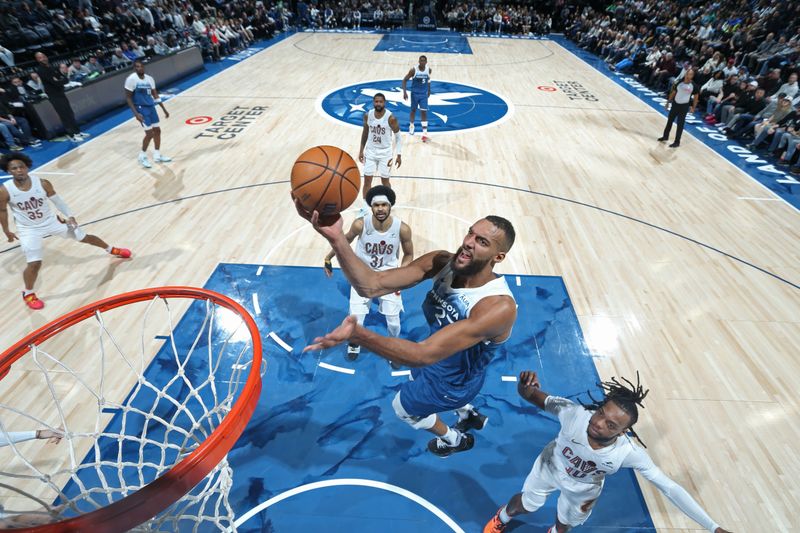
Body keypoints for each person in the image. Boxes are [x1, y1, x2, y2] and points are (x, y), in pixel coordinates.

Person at [295, 201, 517, 457]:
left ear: (498, 257)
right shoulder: (442, 262)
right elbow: (371, 286)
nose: (468, 242)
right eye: (470, 233)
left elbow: (422, 354)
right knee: (415, 375)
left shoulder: (497, 307)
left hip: (453, 383)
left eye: (482, 242)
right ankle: (469, 414)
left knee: (402, 408)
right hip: (436, 360)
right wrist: (337, 239)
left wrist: (359, 335)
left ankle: (454, 439)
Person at [483, 371, 732, 533]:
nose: (599, 422)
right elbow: (534, 396)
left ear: (623, 432)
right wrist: (525, 389)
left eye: (611, 425)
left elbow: (670, 488)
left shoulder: (628, 453)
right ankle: (502, 517)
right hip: (550, 467)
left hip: (582, 489)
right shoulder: (575, 414)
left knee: (564, 523)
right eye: (601, 412)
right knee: (526, 503)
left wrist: (714, 528)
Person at [0, 154, 132, 310]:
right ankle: (28, 293)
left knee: (84, 237)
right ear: (8, 171)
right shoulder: (5, 190)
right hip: (28, 229)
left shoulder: (42, 183)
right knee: (34, 263)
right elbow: (2, 211)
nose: (19, 170)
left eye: (21, 166)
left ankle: (111, 249)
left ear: (27, 167)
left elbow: (58, 201)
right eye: (14, 168)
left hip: (51, 221)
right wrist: (7, 231)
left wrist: (70, 216)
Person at [323, 185, 414, 364]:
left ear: (390, 206)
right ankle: (355, 343)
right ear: (371, 207)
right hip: (361, 277)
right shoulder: (360, 224)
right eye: (376, 205)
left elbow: (409, 254)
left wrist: (401, 275)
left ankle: (393, 347)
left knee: (394, 322)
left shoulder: (402, 228)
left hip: (388, 278)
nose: (380, 209)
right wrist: (329, 256)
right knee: (356, 321)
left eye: (384, 205)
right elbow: (344, 240)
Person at [357, 93, 402, 215]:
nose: (378, 104)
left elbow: (398, 137)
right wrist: (361, 150)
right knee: (367, 181)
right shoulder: (368, 116)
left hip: (385, 153)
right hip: (370, 152)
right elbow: (365, 132)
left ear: (384, 103)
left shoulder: (390, 118)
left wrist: (399, 154)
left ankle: (389, 204)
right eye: (376, 101)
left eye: (380, 102)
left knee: (385, 181)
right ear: (373, 102)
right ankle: (366, 207)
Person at [124, 60, 171, 168]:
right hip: (141, 108)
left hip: (151, 107)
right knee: (149, 134)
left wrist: (164, 109)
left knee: (157, 131)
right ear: (134, 68)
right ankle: (142, 156)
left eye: (141, 66)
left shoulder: (150, 79)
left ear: (144, 67)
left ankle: (157, 155)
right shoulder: (131, 79)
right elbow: (128, 97)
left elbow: (155, 95)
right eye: (137, 67)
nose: (139, 68)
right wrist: (135, 113)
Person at [33, 52, 88, 143]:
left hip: (60, 93)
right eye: (40, 57)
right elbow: (55, 82)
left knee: (69, 113)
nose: (43, 58)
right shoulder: (41, 70)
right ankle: (72, 135)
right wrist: (60, 80)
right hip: (53, 95)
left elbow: (62, 78)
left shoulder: (51, 67)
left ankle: (77, 132)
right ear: (38, 60)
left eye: (44, 56)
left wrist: (60, 80)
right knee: (64, 115)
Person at [658, 68, 699, 148]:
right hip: (675, 104)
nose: (688, 75)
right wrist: (668, 102)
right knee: (669, 121)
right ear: (685, 73)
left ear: (692, 76)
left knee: (680, 124)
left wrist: (693, 107)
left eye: (690, 74)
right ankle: (665, 136)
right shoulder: (679, 82)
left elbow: (696, 97)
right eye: (687, 73)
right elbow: (673, 93)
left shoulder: (693, 86)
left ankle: (677, 142)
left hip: (684, 106)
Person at [402, 55, 432, 141]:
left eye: (424, 61)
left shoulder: (428, 69)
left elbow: (428, 79)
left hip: (423, 94)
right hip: (414, 94)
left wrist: (429, 90)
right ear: (419, 61)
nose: (422, 62)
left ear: (426, 62)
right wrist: (404, 92)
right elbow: (404, 80)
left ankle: (425, 133)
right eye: (421, 60)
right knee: (413, 110)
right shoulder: (413, 70)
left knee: (424, 112)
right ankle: (411, 125)